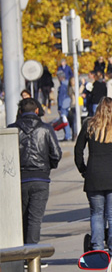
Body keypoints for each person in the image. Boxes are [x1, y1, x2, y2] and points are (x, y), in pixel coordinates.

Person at [74, 97, 112, 254]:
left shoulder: (89, 124)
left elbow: (78, 150)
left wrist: (83, 170)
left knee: (96, 214)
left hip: (94, 175)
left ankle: (98, 249)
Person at [10, 98, 62, 245]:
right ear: (37, 111)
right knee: (35, 219)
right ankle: (31, 256)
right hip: (40, 179)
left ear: (20, 112)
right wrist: (46, 168)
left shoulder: (13, 129)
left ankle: (20, 252)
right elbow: (56, 154)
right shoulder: (46, 129)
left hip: (19, 179)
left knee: (21, 218)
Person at [55, 70, 73, 141]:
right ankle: (69, 135)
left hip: (63, 106)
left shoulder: (62, 86)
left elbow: (61, 97)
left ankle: (68, 135)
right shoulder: (68, 84)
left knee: (64, 121)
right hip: (69, 104)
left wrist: (59, 107)